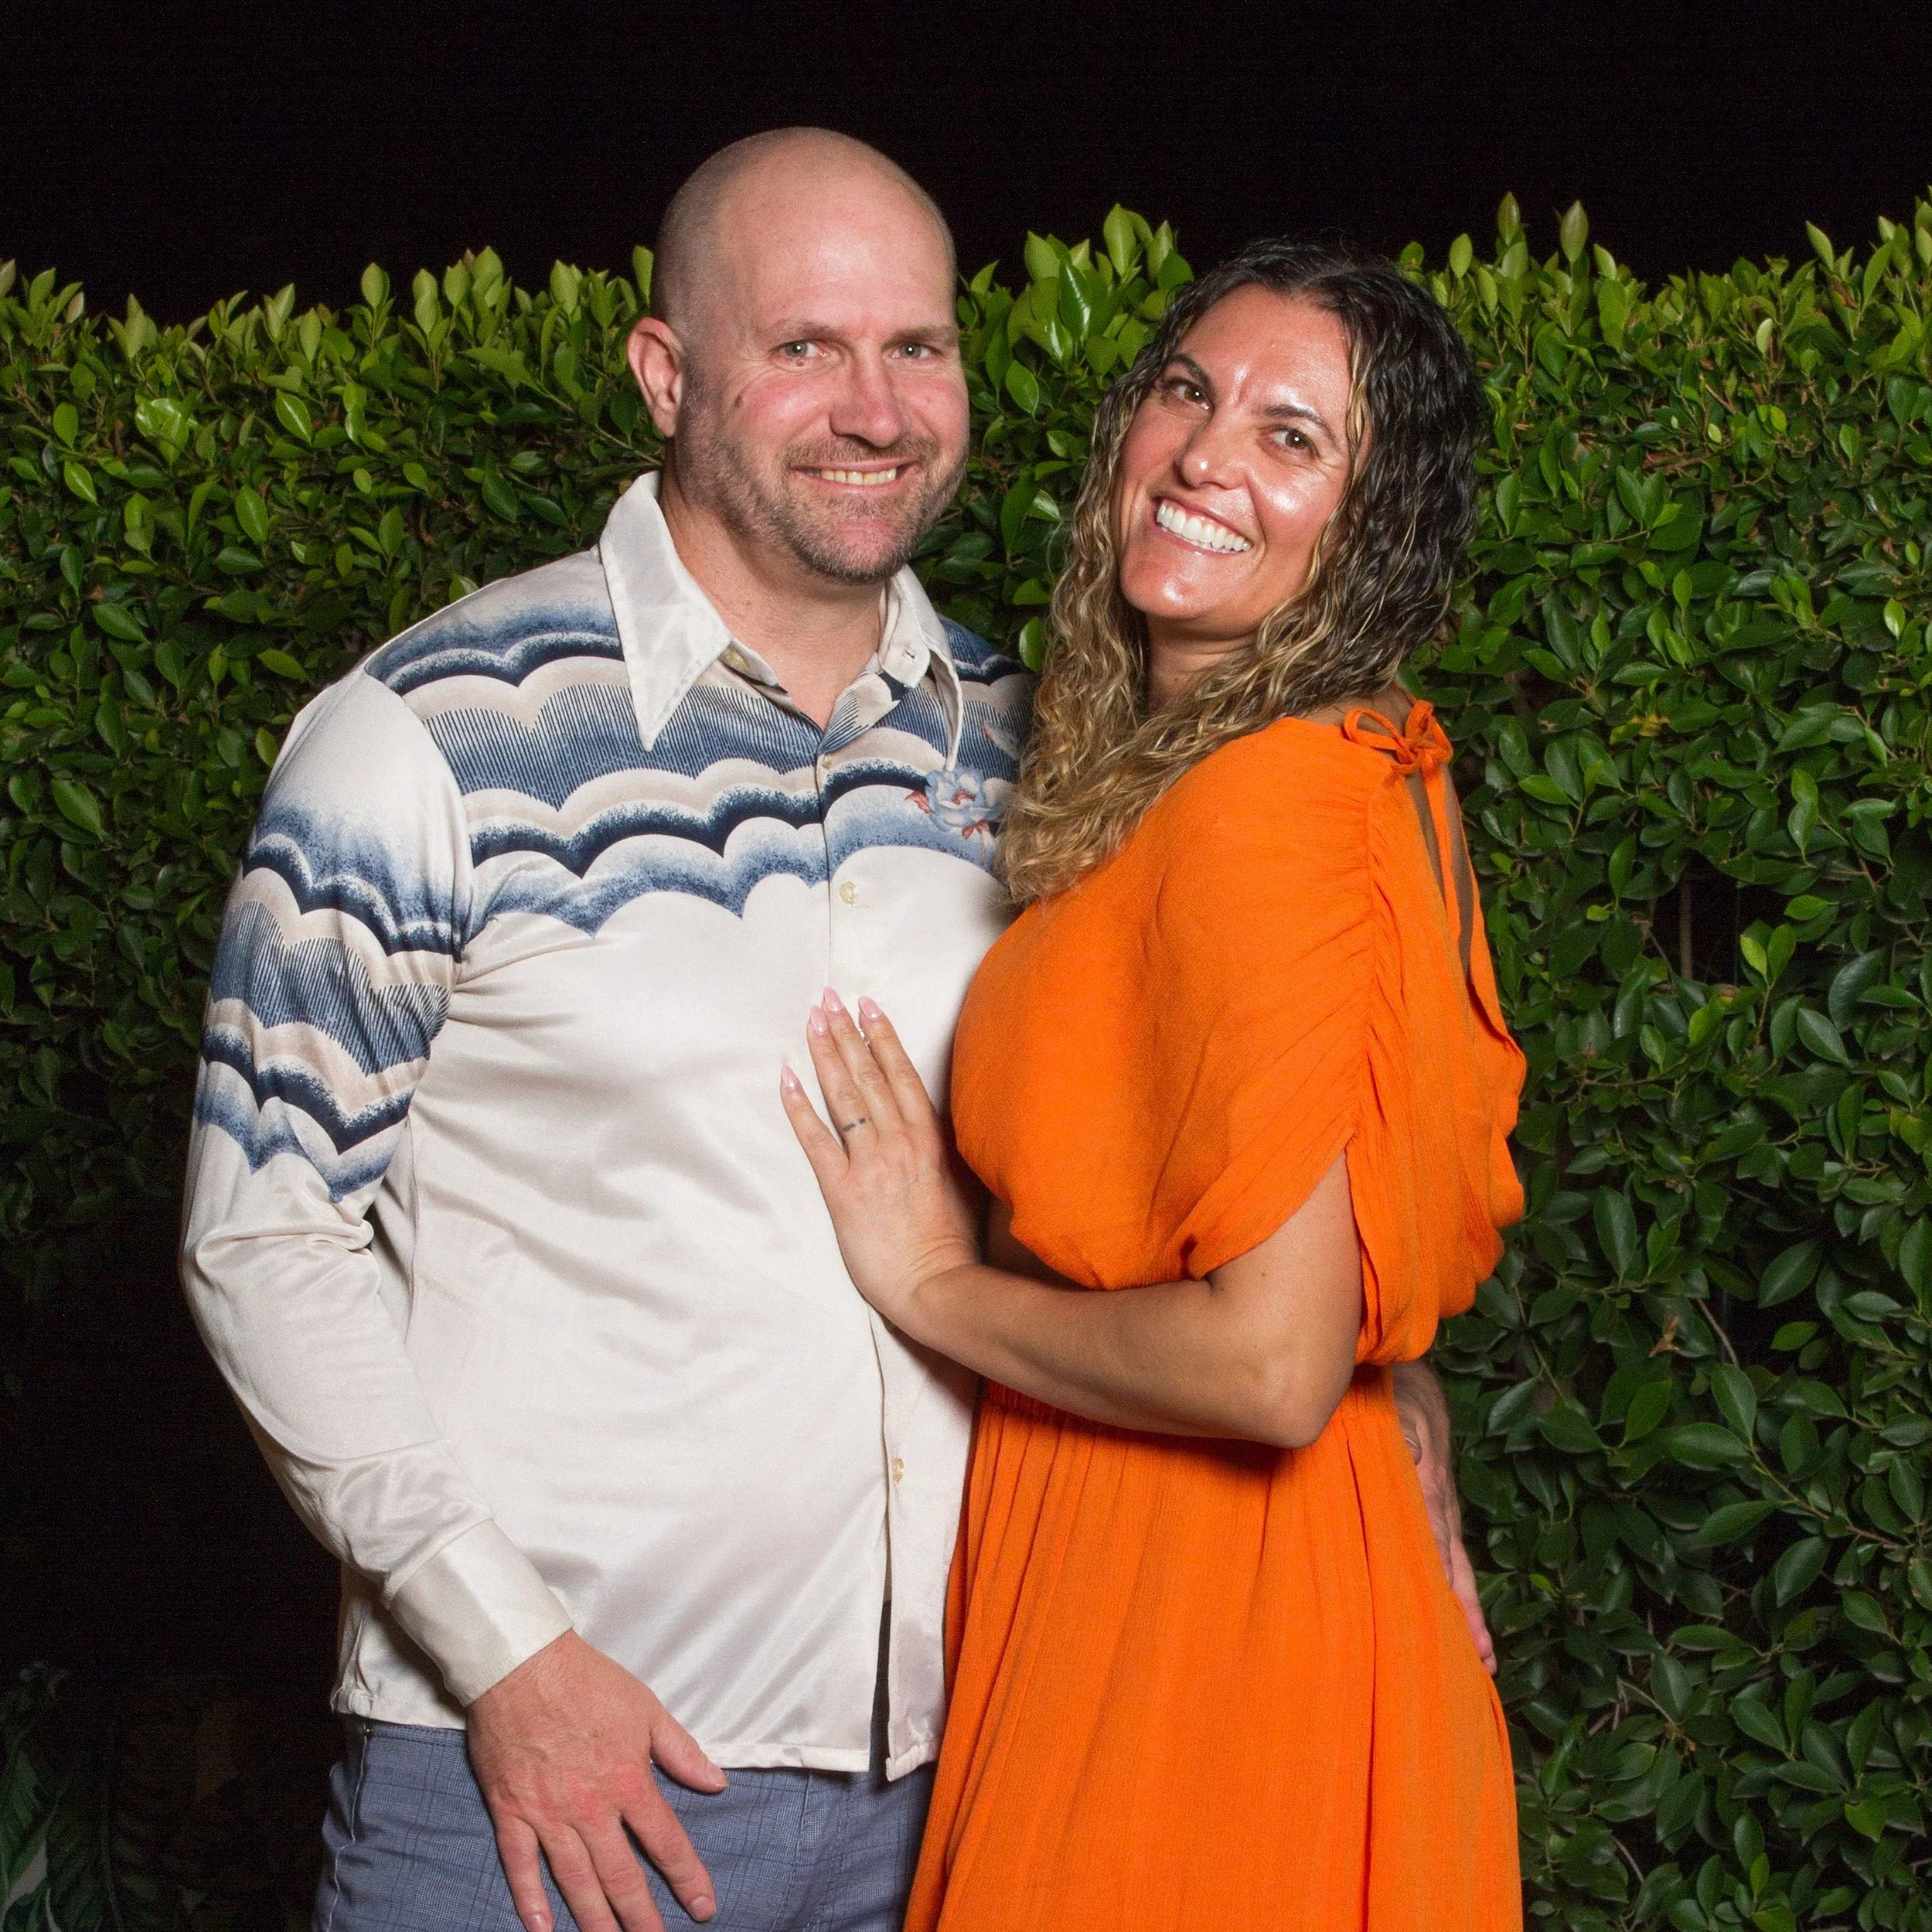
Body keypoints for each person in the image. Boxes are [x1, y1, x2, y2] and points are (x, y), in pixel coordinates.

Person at [182, 118, 1487, 1930]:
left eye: (917, 346)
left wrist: (1375, 1358)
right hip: (558, 1782)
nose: (873, 406)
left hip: (964, 1770)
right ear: (665, 372)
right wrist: (508, 1656)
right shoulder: (422, 732)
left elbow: (1214, 1141)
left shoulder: (1048, 753)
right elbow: (263, 1235)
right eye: (802, 346)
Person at [783, 239, 1525, 1929]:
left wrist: (932, 1283)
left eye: (1293, 435)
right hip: (1208, 1560)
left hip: (1201, 1610)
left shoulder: (1265, 804)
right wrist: (1389, 1373)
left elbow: (1266, 1364)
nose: (1204, 454)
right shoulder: (1334, 760)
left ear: (1373, 521)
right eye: (1189, 392)